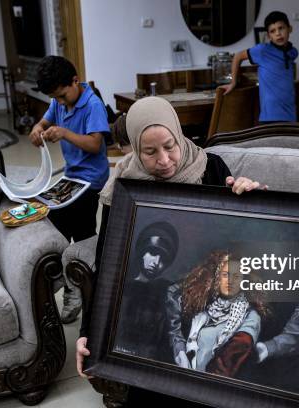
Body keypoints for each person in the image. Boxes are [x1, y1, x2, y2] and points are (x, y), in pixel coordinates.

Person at [75, 96, 264, 405]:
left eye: (170, 146)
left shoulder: (211, 168)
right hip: (151, 352)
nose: (163, 160)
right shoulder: (124, 187)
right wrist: (88, 331)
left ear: (179, 135)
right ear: (135, 149)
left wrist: (252, 197)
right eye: (149, 152)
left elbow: (238, 236)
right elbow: (106, 265)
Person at [29, 55, 110, 323]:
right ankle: (76, 283)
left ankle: (78, 288)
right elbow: (45, 120)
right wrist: (38, 128)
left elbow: (95, 145)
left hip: (91, 180)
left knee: (77, 231)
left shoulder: (93, 105)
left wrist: (63, 133)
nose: (60, 103)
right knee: (68, 227)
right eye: (56, 99)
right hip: (71, 179)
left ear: (75, 81)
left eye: (63, 96)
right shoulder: (58, 100)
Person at [166, 251, 268, 378]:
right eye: (225, 275)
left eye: (236, 277)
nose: (230, 281)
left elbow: (235, 353)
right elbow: (173, 292)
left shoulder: (250, 316)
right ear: (218, 278)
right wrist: (180, 351)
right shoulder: (205, 306)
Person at [113, 221, 180, 361]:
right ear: (142, 252)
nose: (156, 262)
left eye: (164, 258)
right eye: (153, 252)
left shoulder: (169, 293)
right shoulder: (120, 287)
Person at [222, 11, 298, 123]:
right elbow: (238, 56)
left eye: (281, 28)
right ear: (268, 36)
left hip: (290, 115)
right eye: (273, 31)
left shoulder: (292, 52)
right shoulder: (262, 50)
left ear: (290, 29)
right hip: (270, 116)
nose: (278, 33)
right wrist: (233, 82)